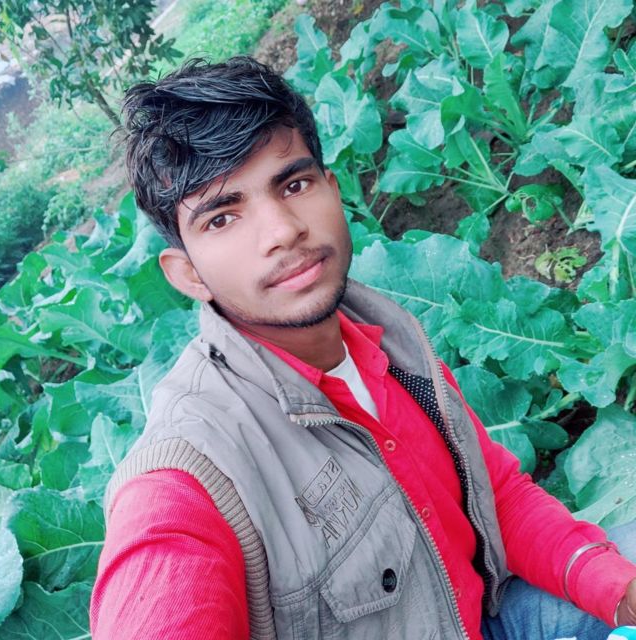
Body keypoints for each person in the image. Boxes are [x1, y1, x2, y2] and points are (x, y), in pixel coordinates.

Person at [90, 56, 636, 640]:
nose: (282, 231)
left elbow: (494, 495)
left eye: (294, 185)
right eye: (222, 218)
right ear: (188, 273)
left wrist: (617, 590)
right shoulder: (188, 478)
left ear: (332, 190)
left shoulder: (389, 339)